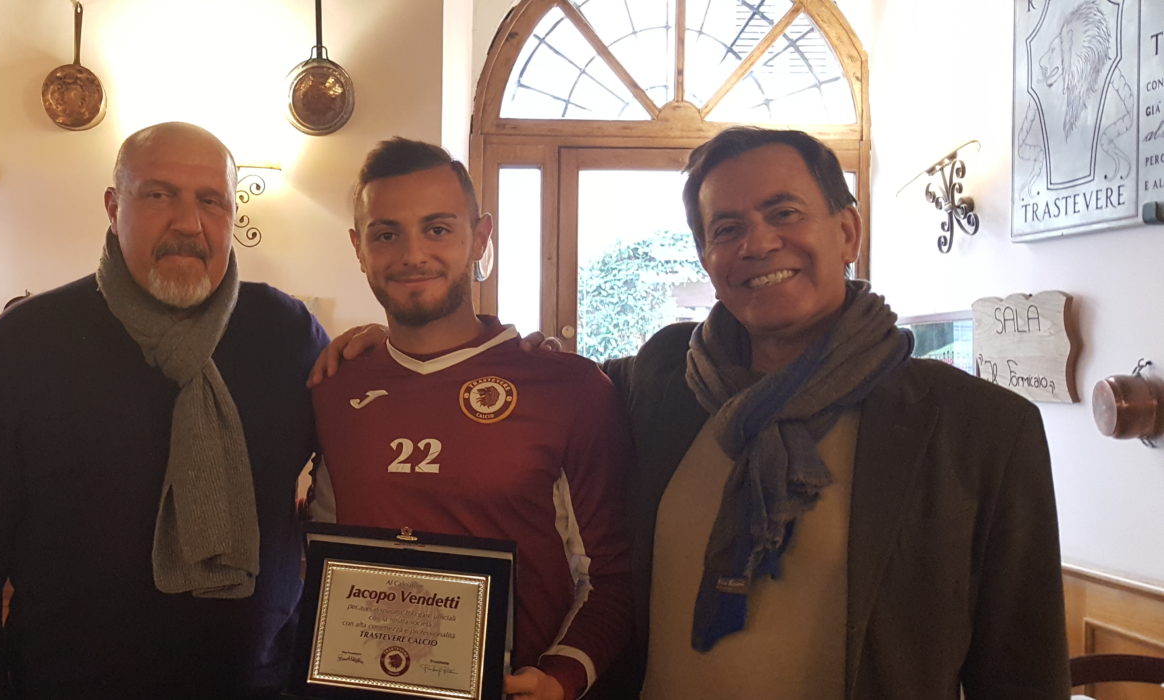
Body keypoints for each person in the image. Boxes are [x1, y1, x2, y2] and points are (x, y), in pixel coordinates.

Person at [312, 127, 1070, 699]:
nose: (757, 243)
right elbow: (485, 382)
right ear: (706, 255)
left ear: (847, 231)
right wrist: (382, 343)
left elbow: (1023, 669)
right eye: (727, 228)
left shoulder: (978, 430)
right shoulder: (664, 383)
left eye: (783, 213)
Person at [0, 122, 328, 698]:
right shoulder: (27, 342)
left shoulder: (288, 335)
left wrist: (381, 357)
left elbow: (358, 479)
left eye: (211, 201)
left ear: (233, 215)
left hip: (254, 683)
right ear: (114, 206)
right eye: (160, 194)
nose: (188, 224)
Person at [311, 138, 633, 700]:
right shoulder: (334, 386)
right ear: (359, 248)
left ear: (480, 237)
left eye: (437, 229)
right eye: (387, 234)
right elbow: (318, 550)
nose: (413, 254)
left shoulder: (571, 389)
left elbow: (612, 575)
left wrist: (563, 675)